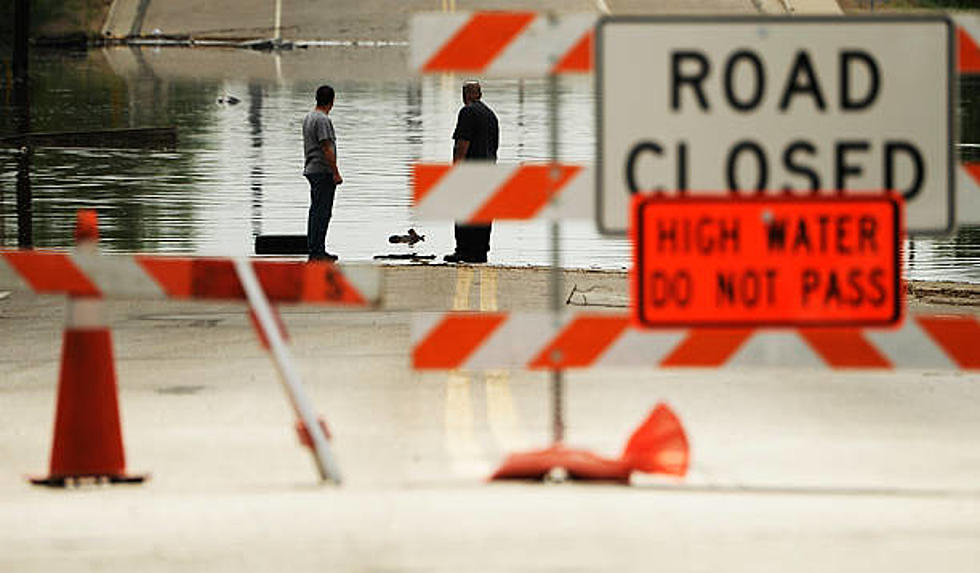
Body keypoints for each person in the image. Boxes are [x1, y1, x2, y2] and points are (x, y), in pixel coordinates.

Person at [444, 80, 499, 264]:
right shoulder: (491, 115)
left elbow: (462, 144)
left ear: (465, 94)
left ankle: (464, 251)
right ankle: (480, 252)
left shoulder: (467, 112)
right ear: (480, 94)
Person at [302, 85, 342, 262]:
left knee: (315, 210)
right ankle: (318, 251)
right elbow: (326, 147)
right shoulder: (323, 120)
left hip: (312, 168)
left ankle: (314, 248)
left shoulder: (309, 117)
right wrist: (335, 172)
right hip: (322, 170)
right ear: (332, 101)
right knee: (323, 212)